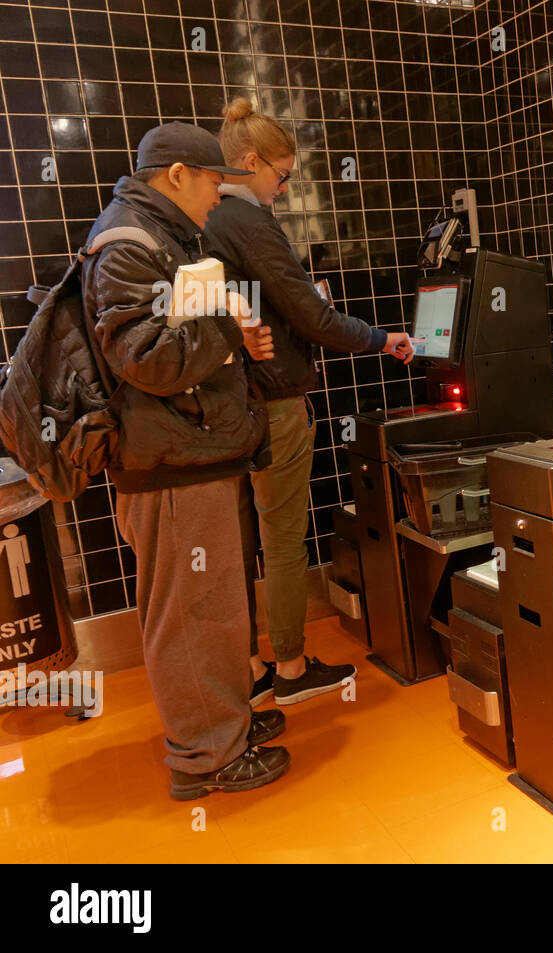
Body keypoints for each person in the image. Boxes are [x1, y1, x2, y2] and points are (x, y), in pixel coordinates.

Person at [82, 122, 288, 798]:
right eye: (211, 183)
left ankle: (224, 723)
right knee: (191, 612)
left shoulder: (157, 237)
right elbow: (144, 357)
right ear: (176, 175)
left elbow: (175, 338)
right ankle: (207, 756)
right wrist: (229, 330)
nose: (217, 199)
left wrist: (227, 338)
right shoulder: (127, 243)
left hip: (192, 454)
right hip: (168, 465)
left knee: (218, 606)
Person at [204, 98, 414, 706]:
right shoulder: (248, 222)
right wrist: (382, 339)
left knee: (243, 541)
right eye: (282, 174)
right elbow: (312, 316)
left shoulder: (209, 221)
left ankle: (250, 668)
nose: (285, 187)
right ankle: (293, 668)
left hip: (231, 406)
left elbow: (264, 306)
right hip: (275, 404)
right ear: (250, 162)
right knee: (284, 537)